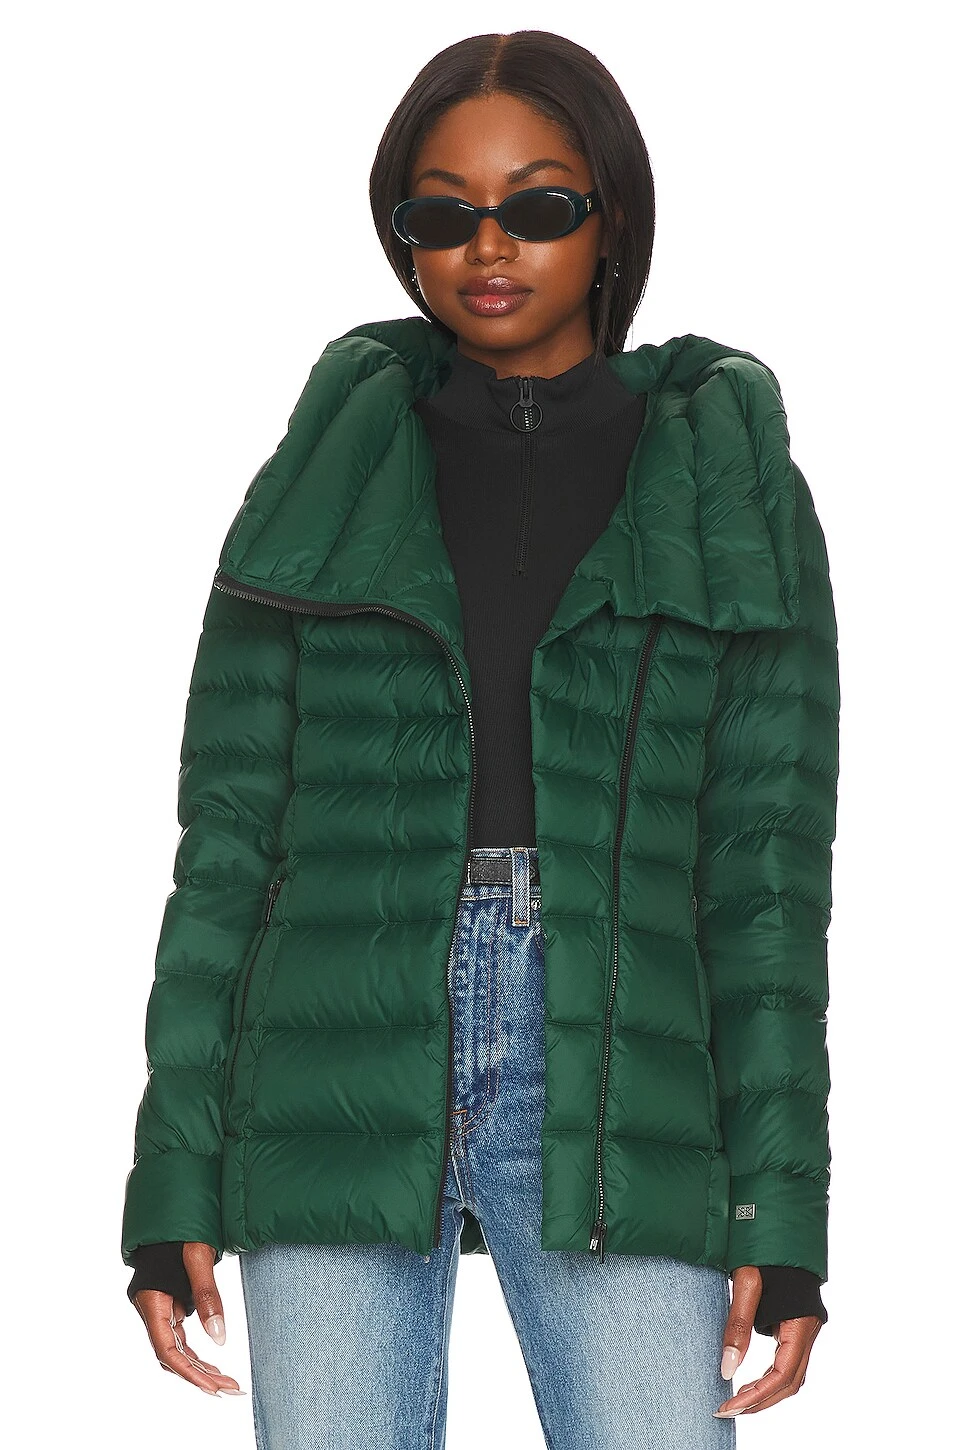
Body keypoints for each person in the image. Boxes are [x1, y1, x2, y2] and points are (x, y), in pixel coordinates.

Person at [122, 29, 838, 1447]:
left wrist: (781, 1206)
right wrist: (172, 1183)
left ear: (612, 217)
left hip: (621, 1056)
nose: (488, 247)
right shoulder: (329, 472)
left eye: (540, 204)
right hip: (326, 1046)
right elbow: (228, 851)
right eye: (442, 214)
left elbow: (763, 880)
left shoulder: (723, 477)